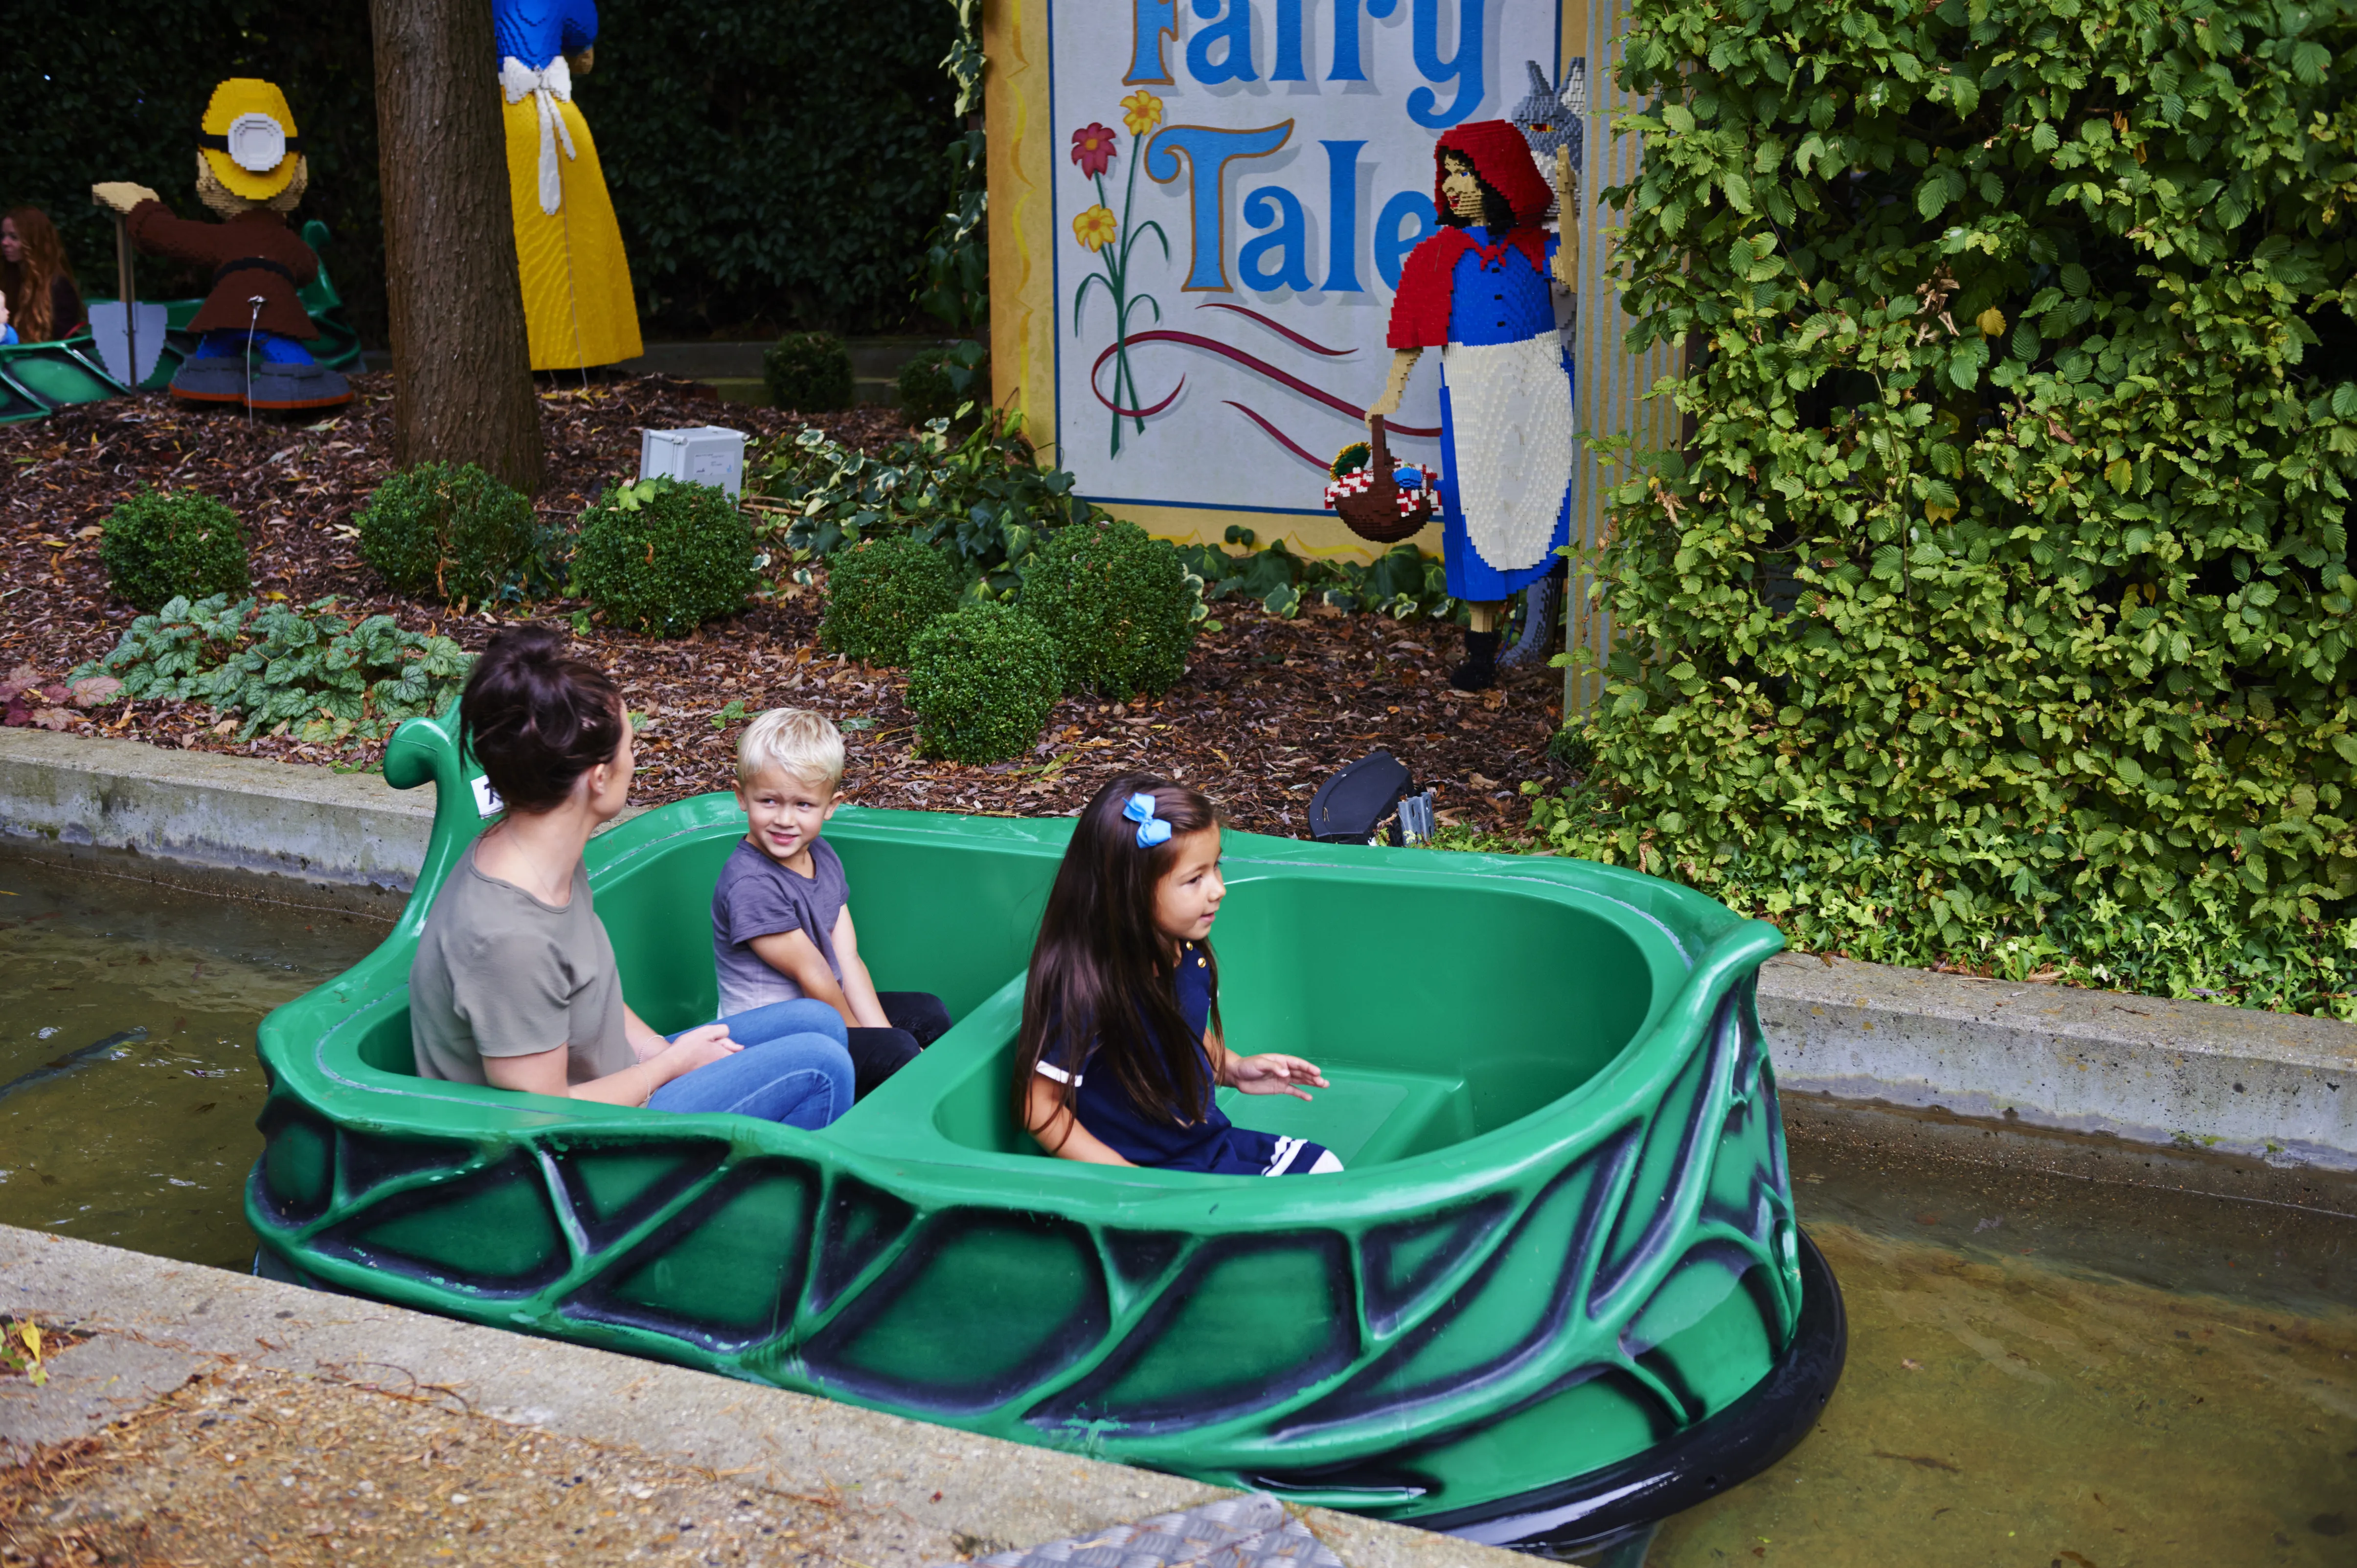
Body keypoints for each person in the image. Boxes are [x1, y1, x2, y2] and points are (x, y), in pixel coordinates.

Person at [410, 627, 854, 1128]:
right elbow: (538, 1118)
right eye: (630, 746)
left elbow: (593, 993)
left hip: (623, 1085)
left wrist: (660, 1051)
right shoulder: (507, 936)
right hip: (571, 1157)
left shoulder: (544, 854)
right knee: (823, 1067)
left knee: (820, 1022)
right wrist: (670, 1067)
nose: (635, 760)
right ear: (599, 777)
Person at [1017, 775, 1343, 1174]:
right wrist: (1123, 1182)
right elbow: (1038, 1105)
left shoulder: (1184, 951)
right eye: (1194, 879)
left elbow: (1179, 1031)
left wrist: (1234, 1068)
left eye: (1216, 867)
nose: (1218, 889)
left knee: (1325, 1167)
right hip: (1154, 1170)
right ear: (1129, 892)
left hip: (1203, 1143)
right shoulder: (1087, 988)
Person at [1365, 121, 1577, 692]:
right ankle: (1480, 649)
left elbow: (1573, 275)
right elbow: (1413, 328)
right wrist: (1393, 390)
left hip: (1540, 383)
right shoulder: (1436, 256)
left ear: (1500, 176)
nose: (1454, 184)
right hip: (1473, 391)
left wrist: (1571, 202)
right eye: (1449, 172)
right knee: (1478, 513)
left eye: (1466, 171)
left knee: (1552, 487)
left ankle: (1563, 609)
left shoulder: (1538, 247)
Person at [711, 708, 951, 1099]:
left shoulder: (822, 855)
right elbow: (816, 977)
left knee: (927, 1014)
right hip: (762, 1041)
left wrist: (883, 1035)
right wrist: (885, 1046)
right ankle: (871, 1129)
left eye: (803, 805)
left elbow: (848, 960)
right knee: (897, 1054)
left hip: (816, 1015)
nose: (785, 819)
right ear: (741, 797)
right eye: (769, 801)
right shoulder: (751, 884)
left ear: (831, 805)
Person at [89, 78, 351, 411]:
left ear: (207, 172)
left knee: (219, 343)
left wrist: (143, 206)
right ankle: (289, 380)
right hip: (274, 313)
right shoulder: (283, 241)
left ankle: (213, 382)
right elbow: (307, 267)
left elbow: (164, 235)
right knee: (278, 345)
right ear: (298, 172)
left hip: (226, 313)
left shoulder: (225, 237)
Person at [494, 0, 642, 370]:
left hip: (504, 118)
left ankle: (526, 352)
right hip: (557, 118)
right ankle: (582, 351)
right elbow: (582, 46)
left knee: (528, 233)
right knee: (576, 235)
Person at [0, 208, 85, 343]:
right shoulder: (7, 275)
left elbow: (62, 341)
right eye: (3, 236)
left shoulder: (58, 286)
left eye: (14, 237)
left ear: (34, 242)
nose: (5, 243)